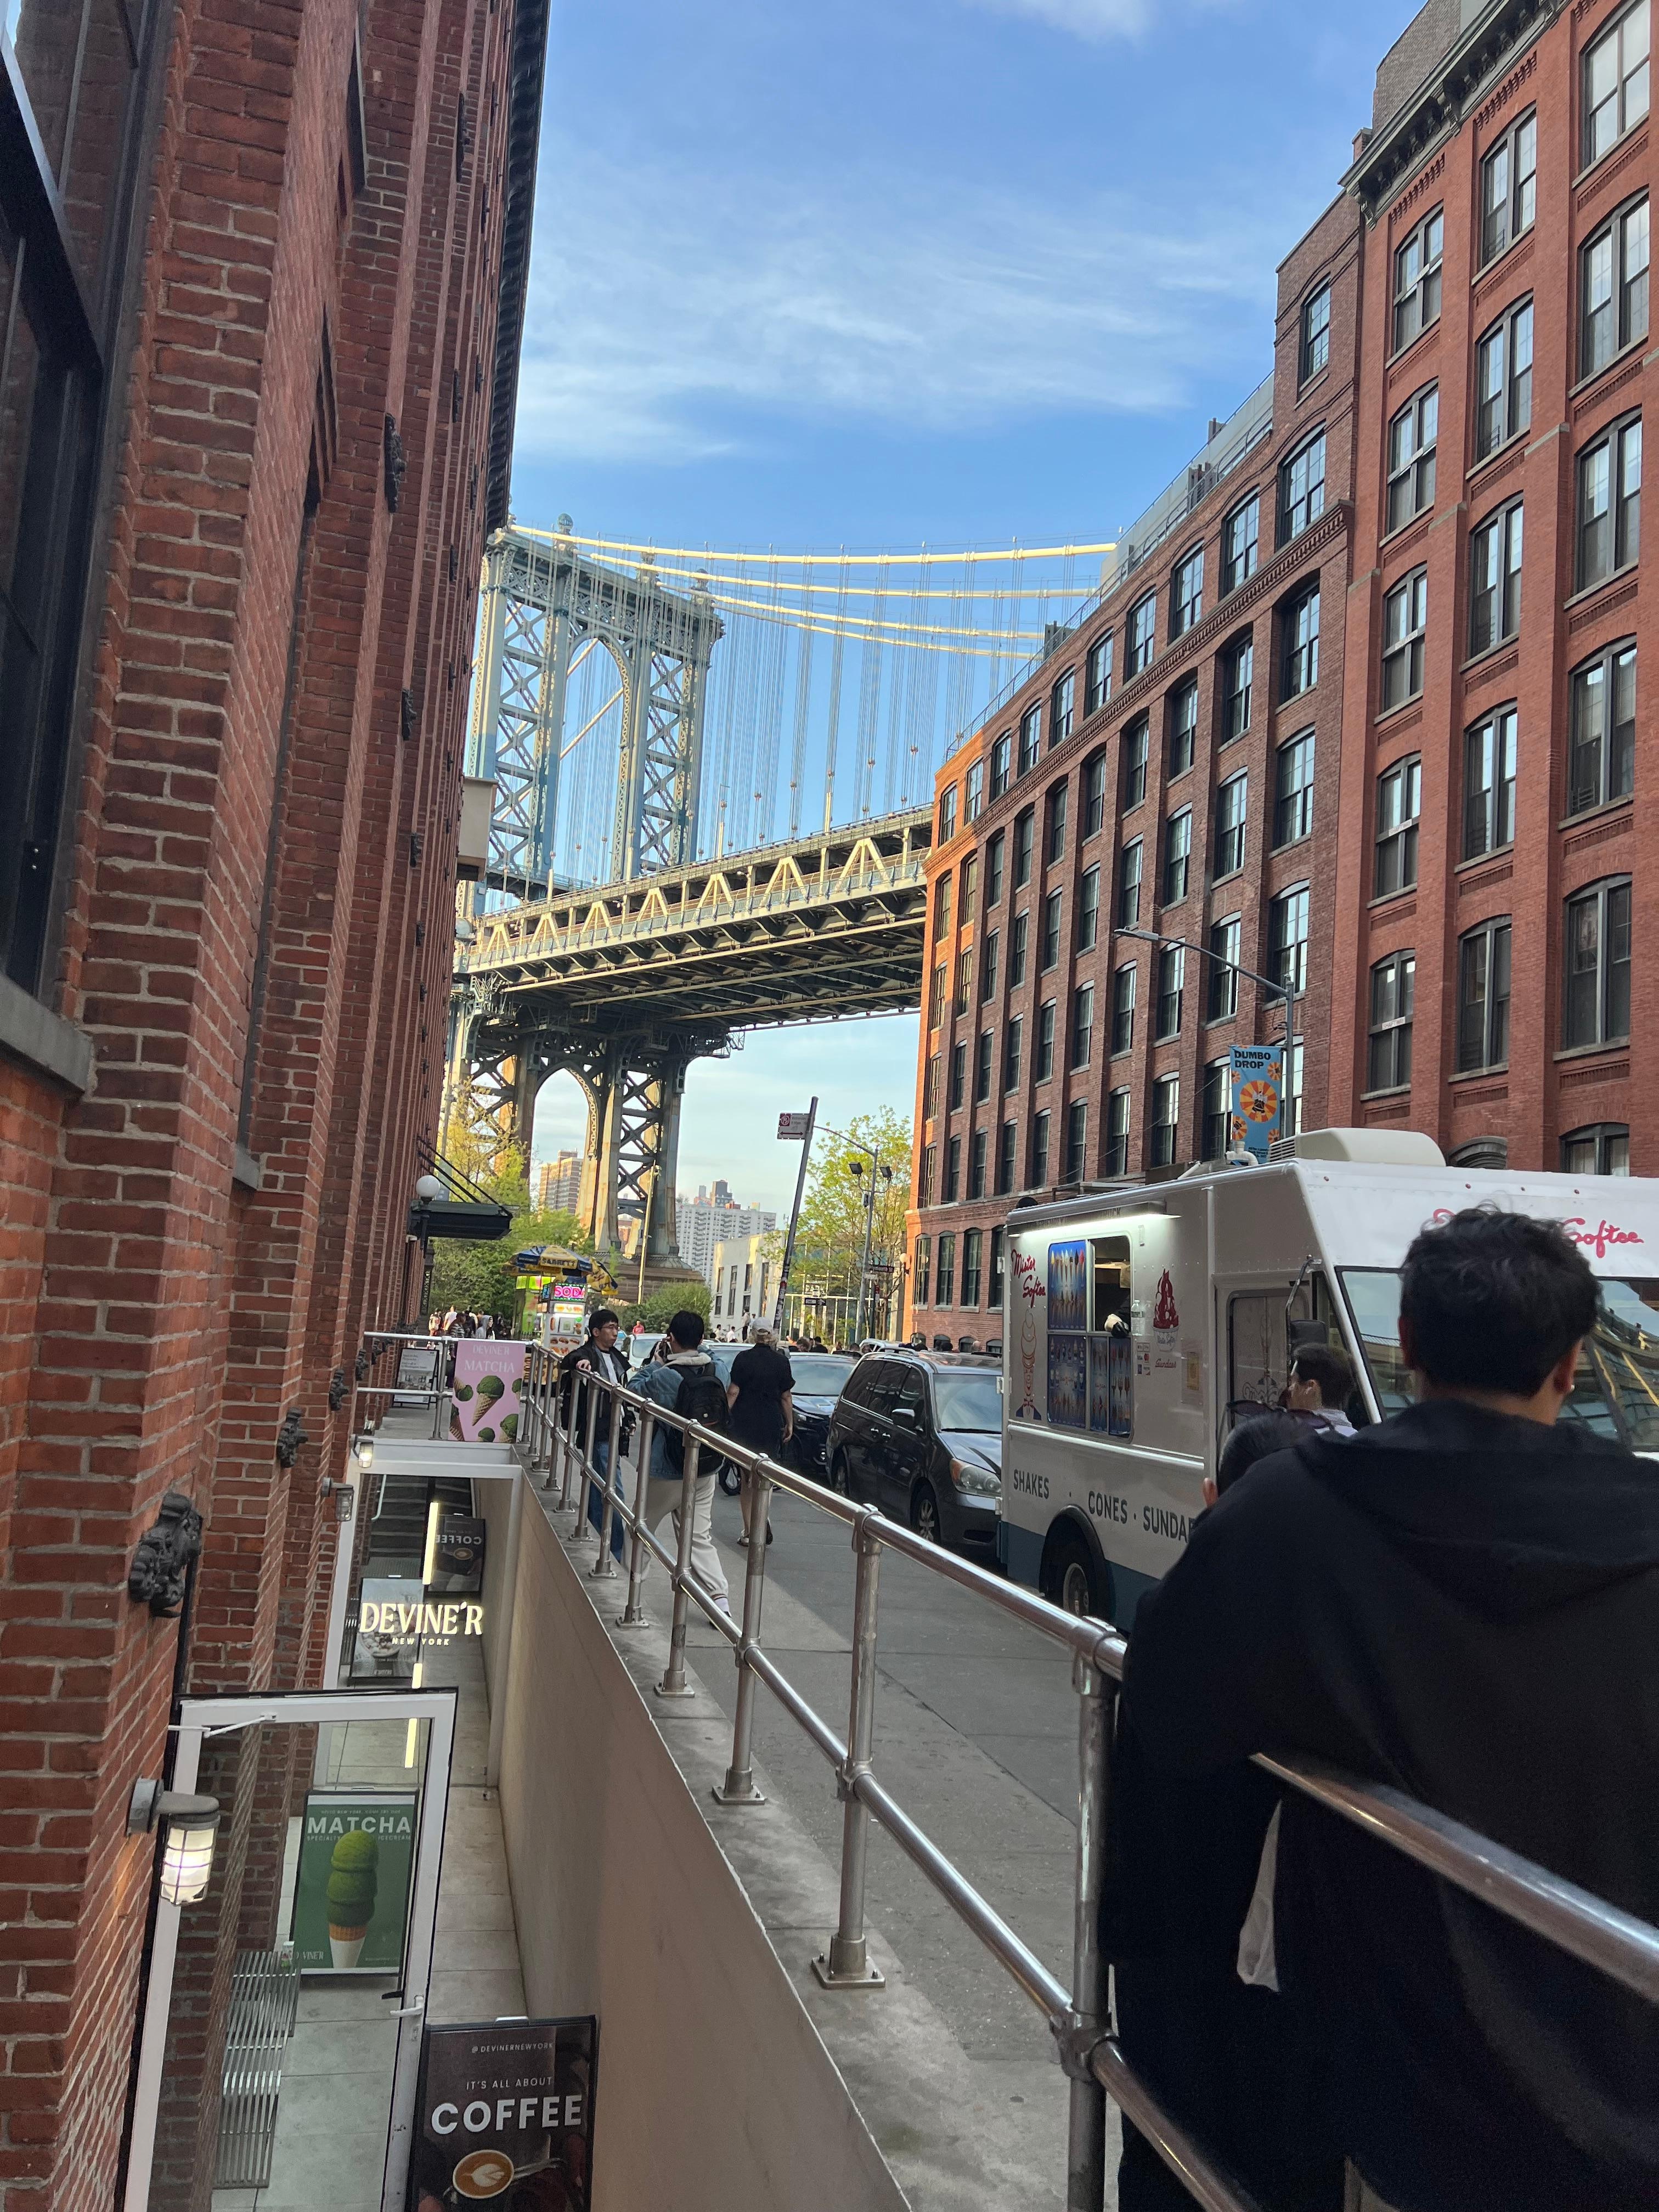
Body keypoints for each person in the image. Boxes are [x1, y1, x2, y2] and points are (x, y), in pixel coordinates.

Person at [1122, 1207, 1659, 2212]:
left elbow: (1168, 1705)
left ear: (1405, 1345)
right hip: (1619, 2066)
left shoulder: (1288, 1509)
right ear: (1569, 1365)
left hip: (1383, 2069)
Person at [1107, 1409, 1341, 2212]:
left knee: (1162, 2147)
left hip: (1159, 1949)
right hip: (1280, 1981)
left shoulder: (1164, 1615)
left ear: (1213, 1494)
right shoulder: (1337, 1637)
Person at [626, 1311, 732, 1617]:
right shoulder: (719, 1370)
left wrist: (656, 1363)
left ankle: (630, 1587)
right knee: (698, 1534)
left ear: (670, 1338)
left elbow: (633, 1392)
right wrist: (701, 1348)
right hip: (705, 1465)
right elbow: (711, 1358)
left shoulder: (666, 1375)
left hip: (666, 1467)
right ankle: (720, 1599)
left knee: (642, 1527)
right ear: (700, 1340)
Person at [557, 1308, 631, 1560]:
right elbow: (568, 1361)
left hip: (614, 1429)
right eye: (610, 1327)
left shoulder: (617, 1357)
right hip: (599, 1430)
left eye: (617, 1326)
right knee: (613, 1491)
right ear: (596, 1332)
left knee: (598, 1484)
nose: (615, 1332)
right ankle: (615, 1551)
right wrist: (581, 1363)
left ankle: (592, 1535)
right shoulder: (589, 1353)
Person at [726, 1323, 793, 1547]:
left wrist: (725, 1418)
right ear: (772, 1335)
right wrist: (789, 1423)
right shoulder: (781, 1361)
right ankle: (762, 1519)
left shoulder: (743, 1359)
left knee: (747, 1479)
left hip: (744, 1422)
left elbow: (734, 1391)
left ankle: (749, 1531)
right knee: (765, 1476)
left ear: (752, 1334)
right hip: (771, 1421)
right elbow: (786, 1397)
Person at [1285, 1343, 1358, 1436]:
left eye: (1292, 1382)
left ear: (1310, 1387)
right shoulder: (1358, 1440)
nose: (1289, 1389)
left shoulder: (1289, 1438)